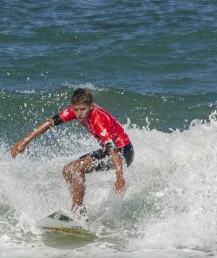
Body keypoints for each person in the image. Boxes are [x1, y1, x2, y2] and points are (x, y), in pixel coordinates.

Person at [10, 88, 134, 224]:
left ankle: (78, 213)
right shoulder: (75, 111)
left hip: (123, 153)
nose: (79, 114)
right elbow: (50, 122)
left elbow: (114, 152)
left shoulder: (98, 120)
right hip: (110, 151)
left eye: (83, 109)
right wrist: (25, 141)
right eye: (76, 110)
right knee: (68, 170)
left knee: (75, 168)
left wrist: (120, 179)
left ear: (91, 107)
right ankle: (78, 210)